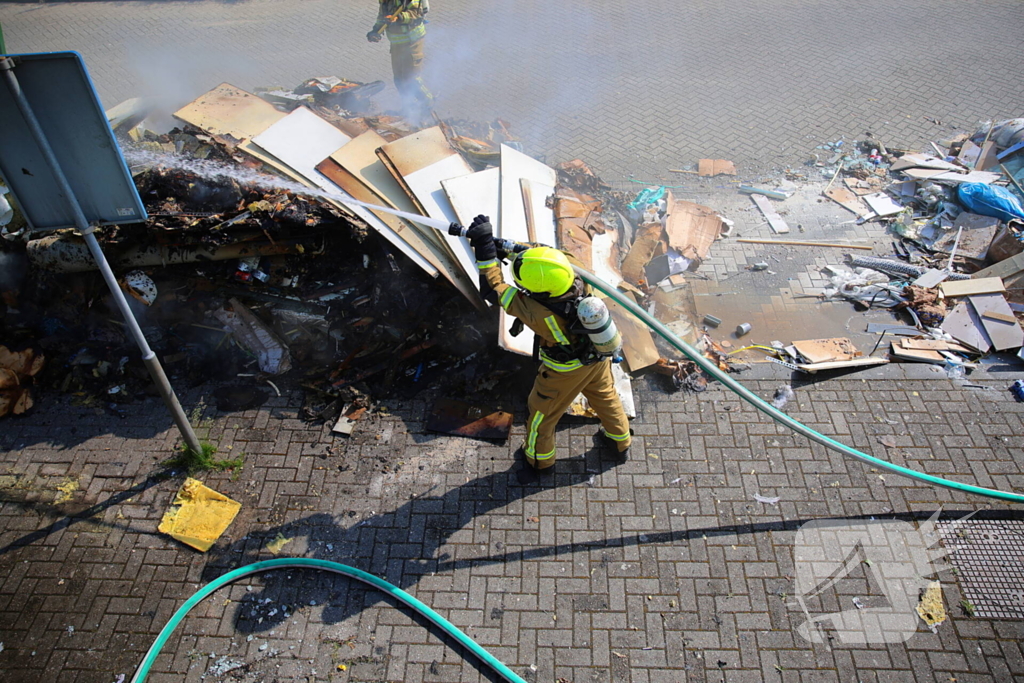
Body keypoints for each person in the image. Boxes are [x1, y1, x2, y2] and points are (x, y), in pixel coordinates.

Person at [464, 215, 632, 473]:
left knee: (542, 415)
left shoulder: (541, 314)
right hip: (597, 356)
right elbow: (542, 252)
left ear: (538, 292)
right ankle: (620, 442)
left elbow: (492, 289)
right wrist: (505, 246)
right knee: (605, 397)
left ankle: (538, 461)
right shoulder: (574, 269)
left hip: (564, 372)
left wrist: (486, 252)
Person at [366, 0, 433, 122]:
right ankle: (407, 109)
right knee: (399, 79)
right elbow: (382, 15)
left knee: (411, 78)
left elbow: (416, 13)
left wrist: (399, 17)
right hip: (397, 42)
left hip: (412, 41)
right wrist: (376, 30)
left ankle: (427, 103)